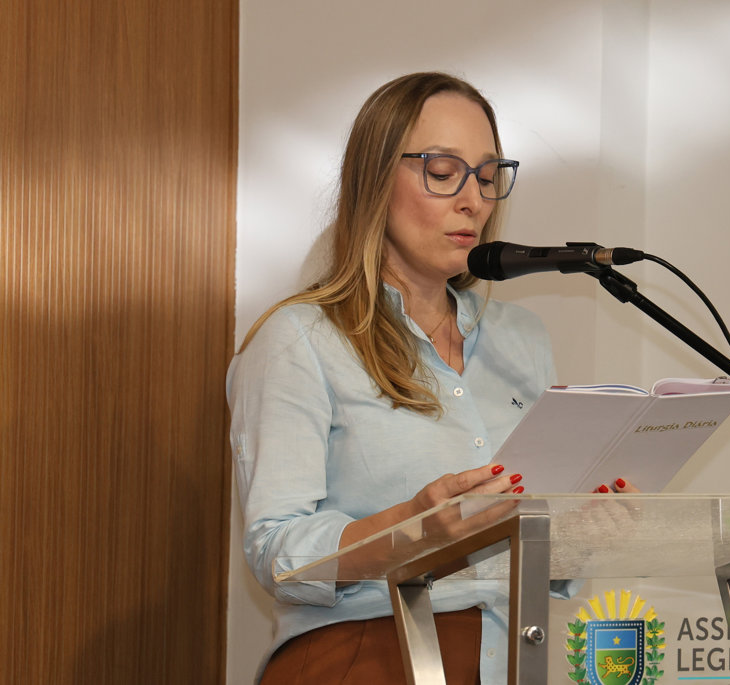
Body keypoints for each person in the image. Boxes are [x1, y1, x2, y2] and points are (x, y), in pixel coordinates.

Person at [227, 72, 635, 685]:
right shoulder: (300, 338)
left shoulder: (521, 339)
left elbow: (528, 552)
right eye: (443, 172)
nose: (474, 200)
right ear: (374, 180)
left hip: (513, 659)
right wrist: (410, 528)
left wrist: (581, 534)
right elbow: (275, 553)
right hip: (367, 658)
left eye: (488, 176)